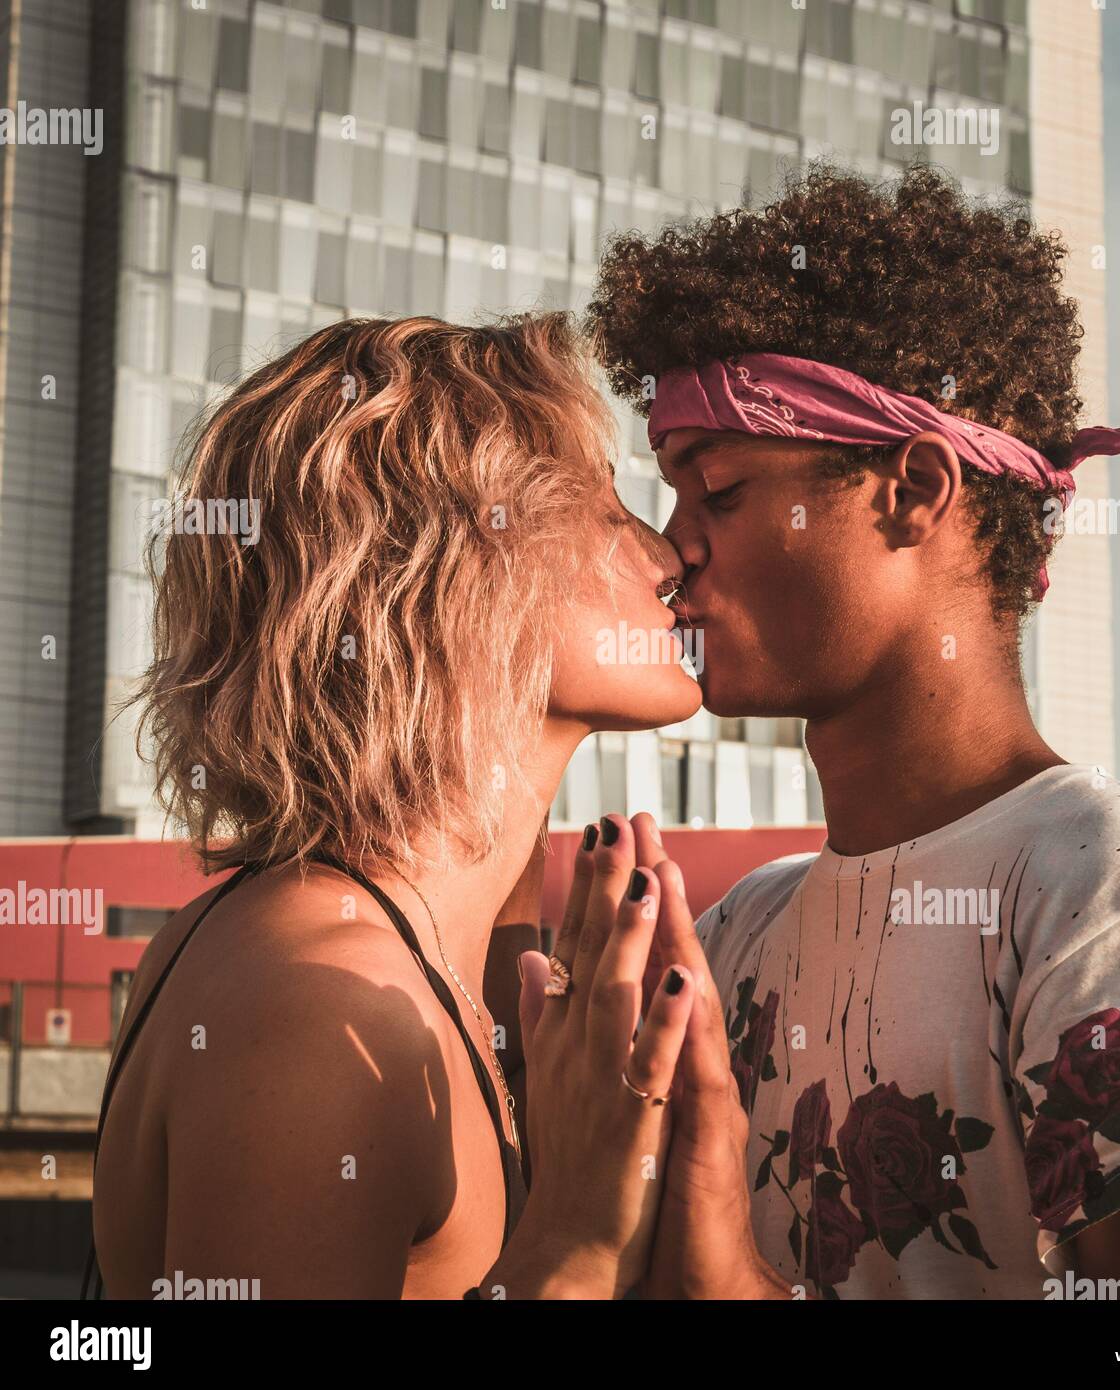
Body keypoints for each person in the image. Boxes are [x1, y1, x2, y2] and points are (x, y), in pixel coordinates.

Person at [586, 164, 1120, 1299]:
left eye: (715, 489)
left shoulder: (1114, 912)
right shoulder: (730, 937)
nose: (677, 549)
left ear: (913, 490)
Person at [88, 313, 720, 1300]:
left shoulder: (323, 939)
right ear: (460, 567)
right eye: (602, 508)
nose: (667, 554)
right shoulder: (321, 1010)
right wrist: (575, 1250)